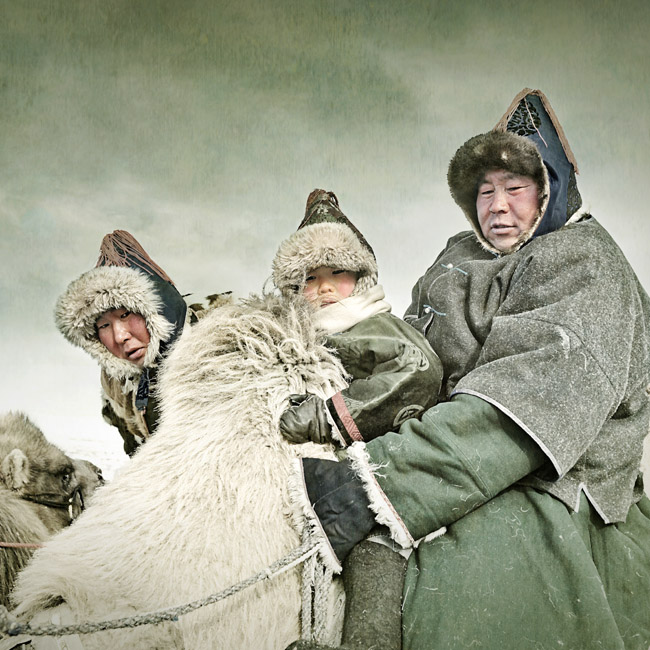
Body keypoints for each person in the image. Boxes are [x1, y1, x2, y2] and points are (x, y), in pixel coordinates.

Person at [288, 89, 650, 650]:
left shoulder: (583, 261)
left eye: (515, 188)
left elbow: (522, 409)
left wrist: (374, 478)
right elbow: (409, 357)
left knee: (461, 598)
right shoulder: (460, 258)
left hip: (545, 477)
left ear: (549, 190)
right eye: (485, 192)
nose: (497, 206)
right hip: (443, 453)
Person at [273, 189, 443, 650]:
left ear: (361, 279)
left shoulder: (370, 323)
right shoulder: (317, 335)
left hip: (390, 472)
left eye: (338, 274)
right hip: (348, 466)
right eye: (311, 278)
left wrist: (324, 415)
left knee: (375, 556)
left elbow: (417, 370)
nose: (326, 287)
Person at [55, 230, 190, 456]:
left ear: (158, 312)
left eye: (126, 314)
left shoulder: (214, 354)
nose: (120, 336)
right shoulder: (116, 384)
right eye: (104, 326)